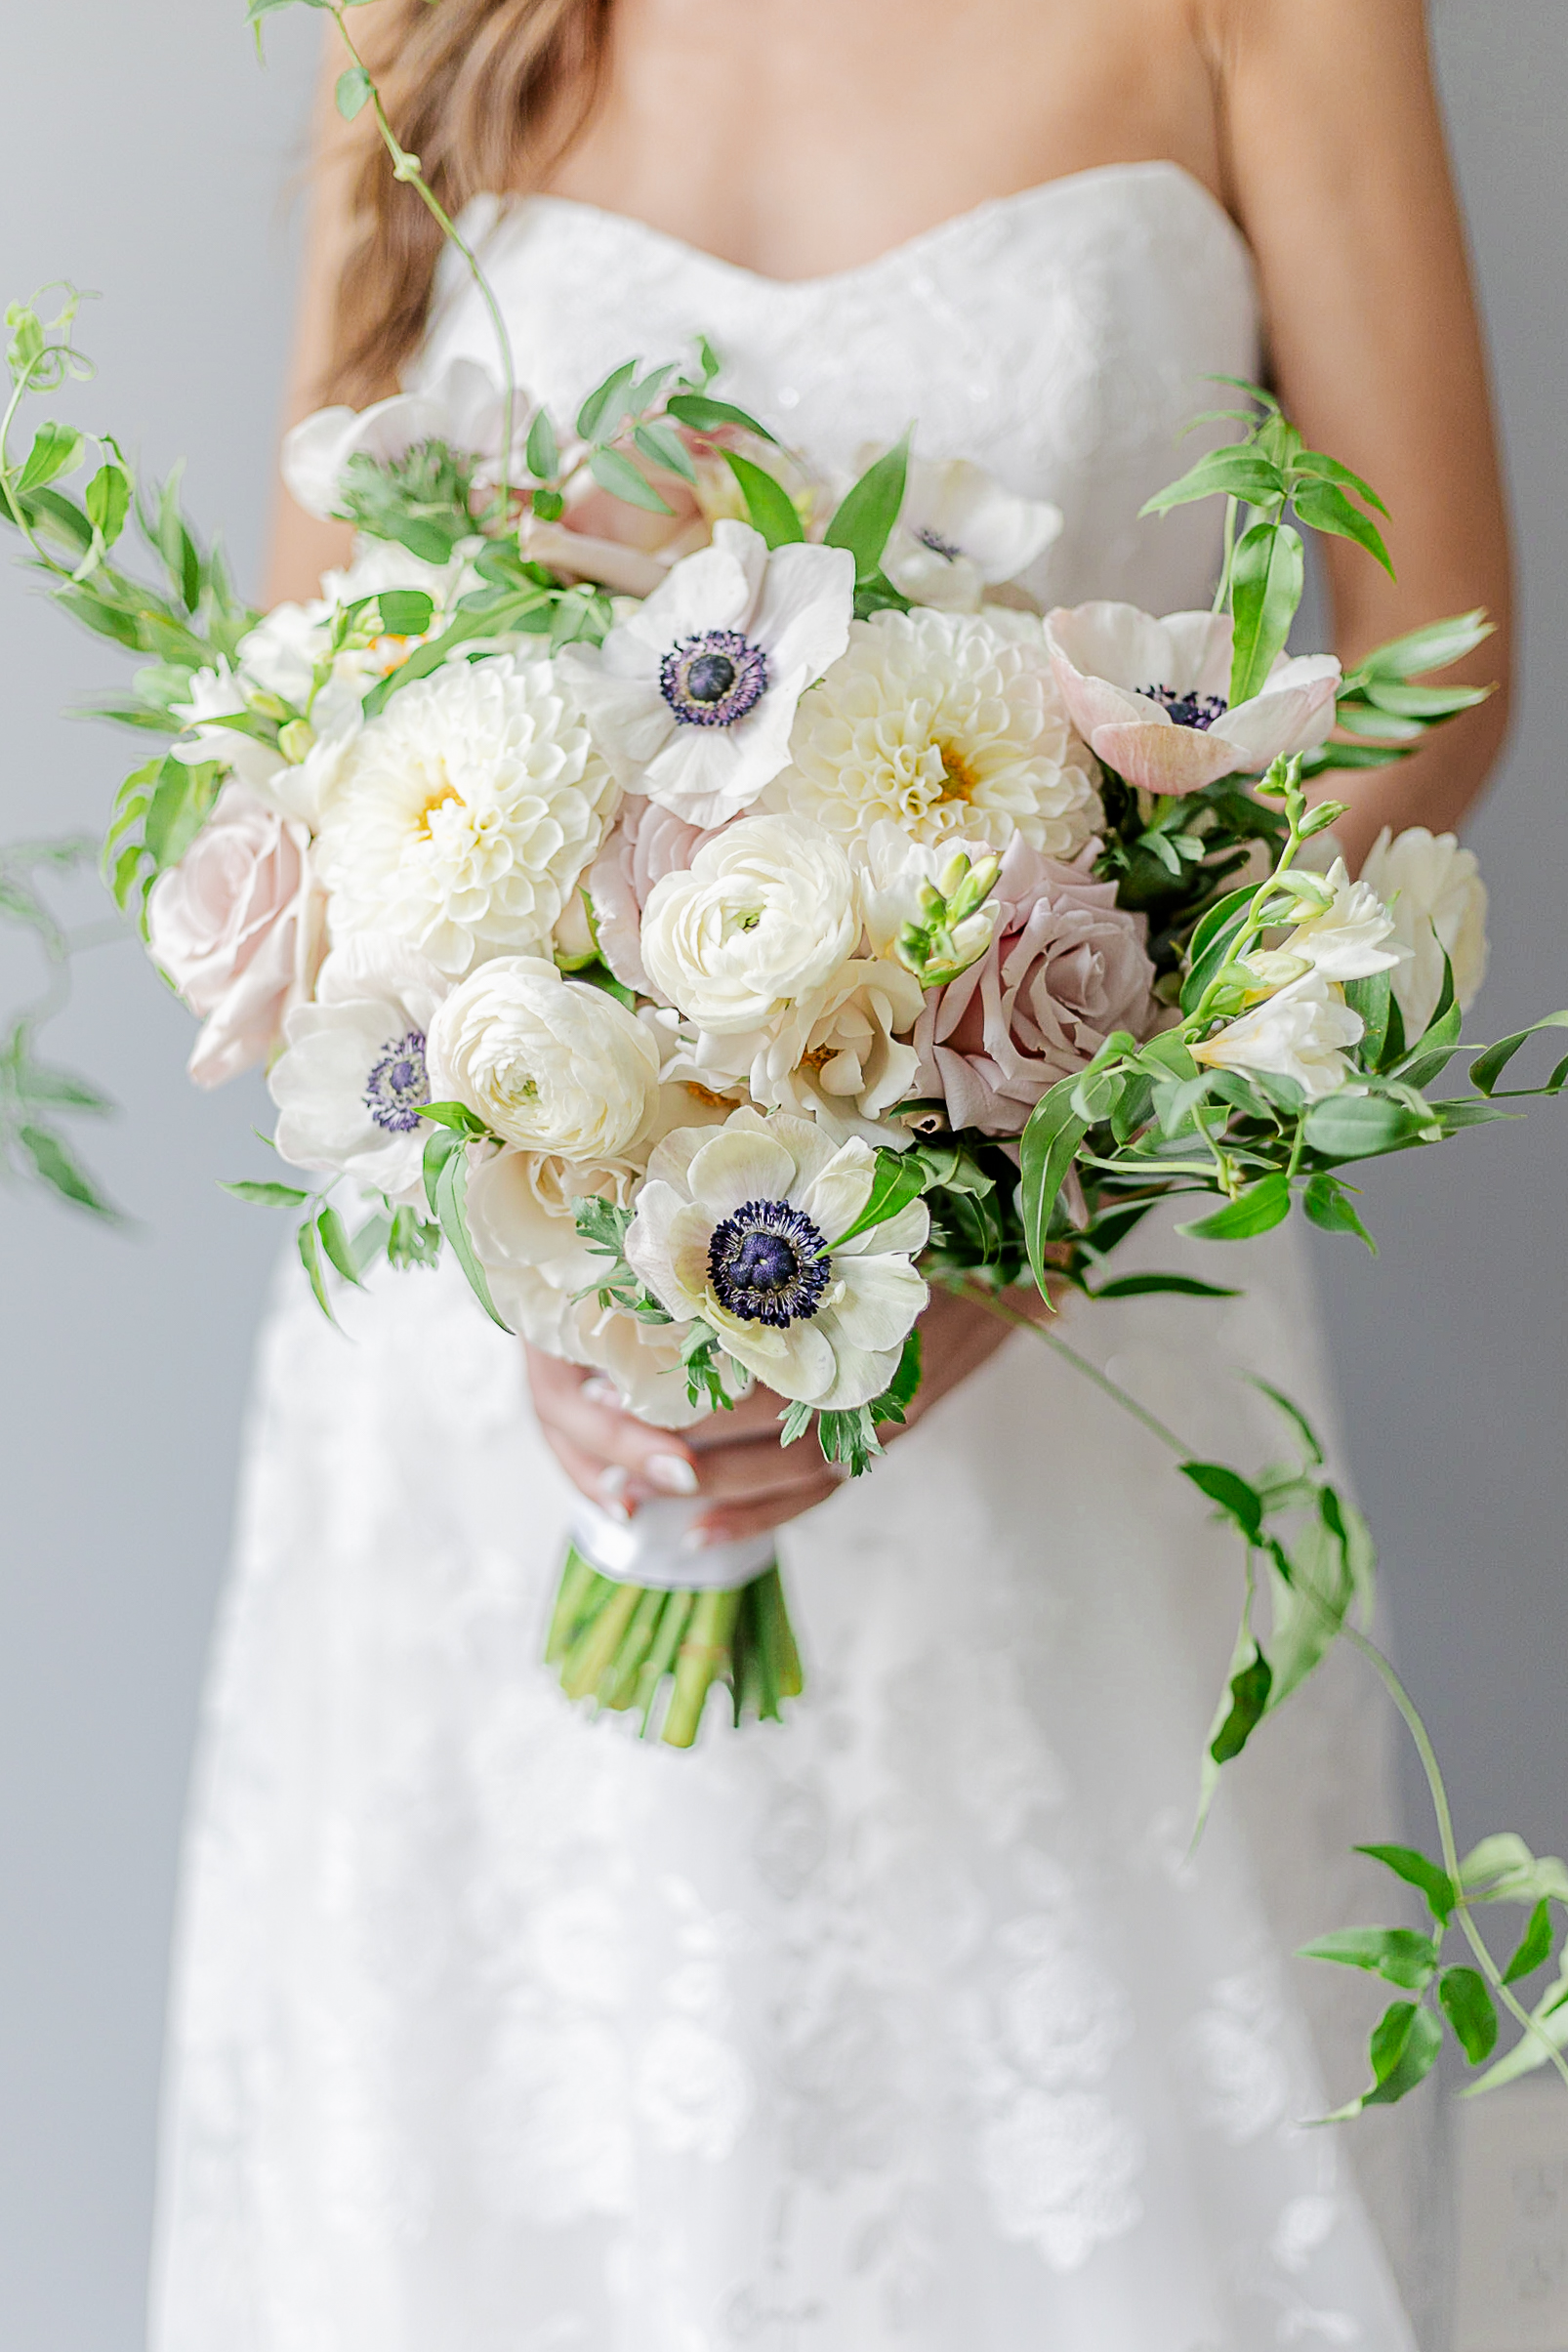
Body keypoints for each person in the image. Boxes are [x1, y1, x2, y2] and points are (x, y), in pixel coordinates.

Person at [151, 3, 1510, 2345]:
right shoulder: (420, 22)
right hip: (500, 1397)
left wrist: (1014, 1217)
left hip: (1073, 1319)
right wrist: (548, 1235)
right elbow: (306, 692)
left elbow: (1431, 668)